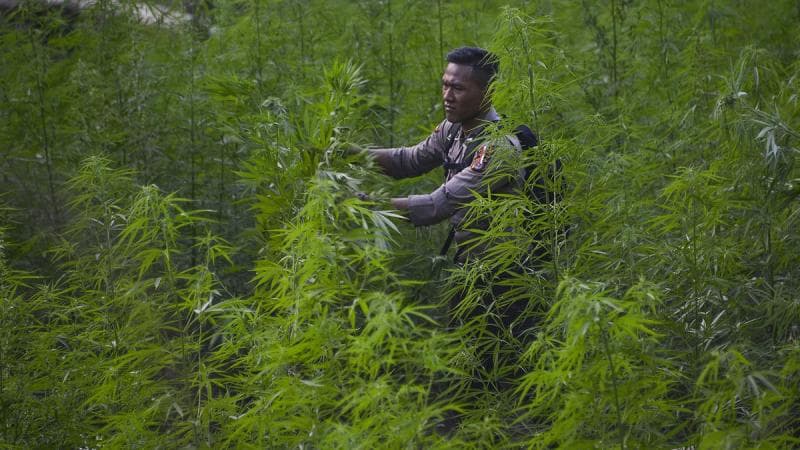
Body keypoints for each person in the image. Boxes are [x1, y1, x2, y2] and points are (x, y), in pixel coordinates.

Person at [366, 46, 524, 265]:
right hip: (469, 266)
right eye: (445, 85)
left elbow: (435, 206)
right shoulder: (453, 129)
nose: (447, 97)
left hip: (505, 275)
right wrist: (351, 154)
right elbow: (408, 161)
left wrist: (366, 205)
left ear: (489, 91)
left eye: (458, 88)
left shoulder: (499, 149)